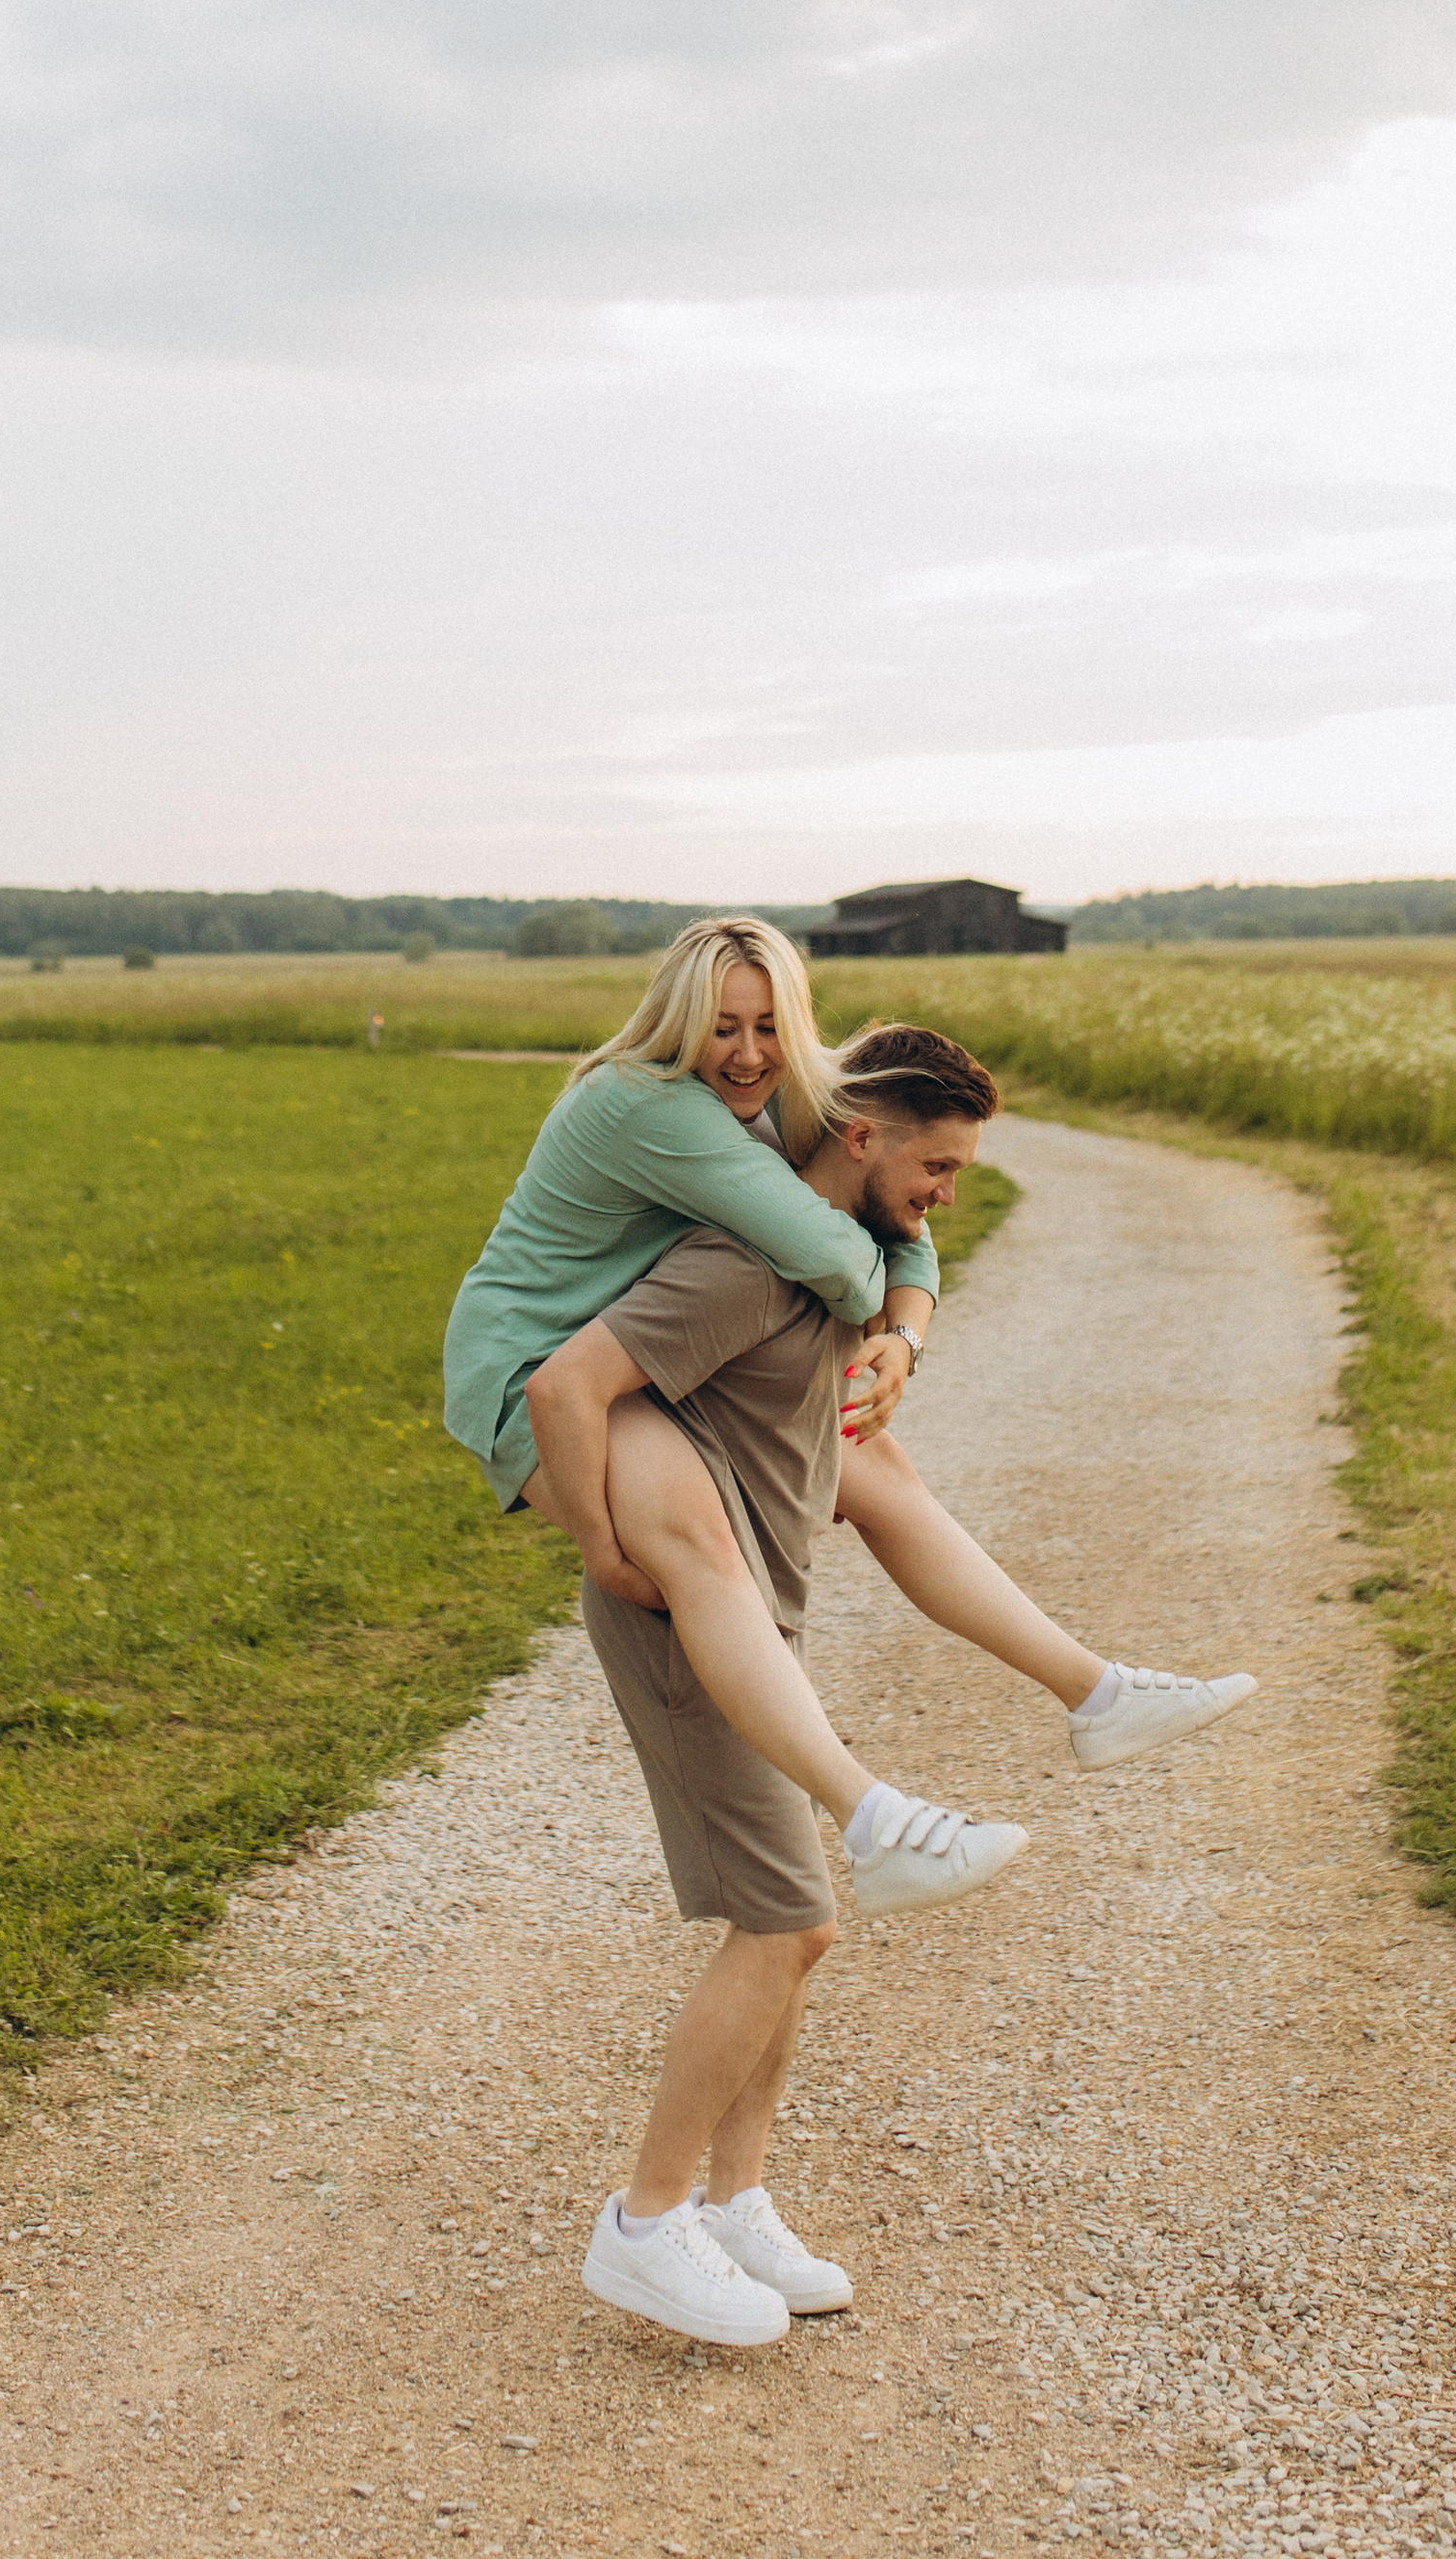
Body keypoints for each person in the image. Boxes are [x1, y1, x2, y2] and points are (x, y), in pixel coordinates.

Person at [441, 920, 1253, 1831]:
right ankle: (869, 1820)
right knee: (700, 1544)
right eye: (722, 1027)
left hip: (646, 1357)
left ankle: (1099, 1696)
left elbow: (903, 1225)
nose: (748, 1054)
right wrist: (599, 1544)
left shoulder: (791, 1088)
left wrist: (902, 1339)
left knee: (882, 1468)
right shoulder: (643, 1103)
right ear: (677, 1023)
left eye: (768, 1025)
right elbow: (832, 1248)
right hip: (539, 1368)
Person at [561, 1160, 1001, 2341]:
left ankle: (735, 2201)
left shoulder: (823, 1269)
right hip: (684, 1625)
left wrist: (902, 1331)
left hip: (744, 1621)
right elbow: (565, 1385)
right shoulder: (739, 1265)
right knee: (791, 1922)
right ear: (862, 1140)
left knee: (792, 1920)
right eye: (937, 1163)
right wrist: (606, 1549)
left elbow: (906, 1268)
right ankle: (645, 2225)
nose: (949, 1192)